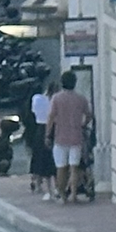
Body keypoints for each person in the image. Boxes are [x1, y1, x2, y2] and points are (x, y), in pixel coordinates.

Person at [45, 69, 90, 203]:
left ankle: (62, 195)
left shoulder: (57, 98)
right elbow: (88, 115)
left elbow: (51, 116)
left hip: (60, 137)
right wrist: (82, 124)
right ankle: (74, 194)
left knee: (61, 168)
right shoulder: (81, 99)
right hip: (76, 136)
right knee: (74, 167)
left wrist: (48, 134)